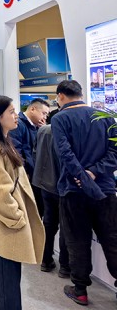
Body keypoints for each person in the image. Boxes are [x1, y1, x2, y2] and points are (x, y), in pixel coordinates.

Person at [0, 95, 44, 310]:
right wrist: (17, 219)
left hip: (5, 226)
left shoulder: (2, 142)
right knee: (2, 287)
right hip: (4, 227)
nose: (16, 116)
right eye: (11, 112)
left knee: (5, 284)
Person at [51, 80, 117, 306]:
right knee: (112, 239)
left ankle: (80, 290)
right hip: (104, 190)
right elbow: (115, 152)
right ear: (80, 93)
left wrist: (84, 177)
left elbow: (65, 154)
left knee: (77, 241)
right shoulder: (104, 116)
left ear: (60, 96)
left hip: (74, 190)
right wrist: (95, 173)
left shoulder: (59, 118)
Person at [31, 124, 70, 277]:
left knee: (48, 223)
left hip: (45, 184)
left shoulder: (42, 130)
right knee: (65, 226)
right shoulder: (66, 130)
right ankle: (65, 266)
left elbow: (35, 154)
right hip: (62, 185)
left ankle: (46, 260)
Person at [9, 98, 50, 218]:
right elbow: (16, 151)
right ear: (32, 109)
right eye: (43, 113)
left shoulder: (37, 126)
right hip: (27, 175)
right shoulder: (18, 125)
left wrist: (44, 129)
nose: (45, 117)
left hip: (36, 175)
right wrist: (24, 172)